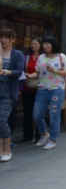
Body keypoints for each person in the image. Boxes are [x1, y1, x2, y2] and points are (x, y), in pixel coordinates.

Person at [27, 36, 66, 150]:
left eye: (47, 44)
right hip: (42, 89)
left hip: (57, 89)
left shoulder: (61, 57)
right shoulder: (41, 57)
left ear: (53, 45)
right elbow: (37, 72)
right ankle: (44, 134)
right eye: (44, 44)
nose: (44, 46)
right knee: (36, 114)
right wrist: (30, 75)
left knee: (54, 115)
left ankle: (53, 139)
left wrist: (55, 71)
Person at [0, 29, 25, 162]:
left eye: (6, 37)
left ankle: (7, 149)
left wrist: (7, 72)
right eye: (1, 37)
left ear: (12, 39)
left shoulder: (17, 54)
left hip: (7, 92)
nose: (3, 39)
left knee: (1, 119)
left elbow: (19, 71)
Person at [20, 38, 42, 143]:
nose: (33, 46)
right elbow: (21, 71)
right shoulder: (26, 58)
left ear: (40, 45)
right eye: (32, 44)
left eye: (36, 44)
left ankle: (39, 134)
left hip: (41, 88)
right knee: (27, 113)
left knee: (38, 113)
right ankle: (27, 135)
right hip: (27, 87)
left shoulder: (44, 58)